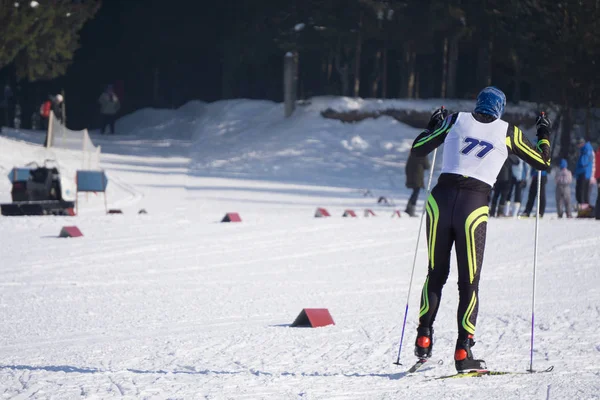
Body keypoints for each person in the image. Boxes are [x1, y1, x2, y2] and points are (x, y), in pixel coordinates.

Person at [409, 87, 551, 373]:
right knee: (468, 282)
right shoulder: (508, 131)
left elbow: (418, 149)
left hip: (441, 199)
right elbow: (542, 162)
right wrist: (544, 132)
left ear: (478, 103)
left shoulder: (456, 120)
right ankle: (464, 350)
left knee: (435, 274)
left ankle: (423, 338)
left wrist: (433, 124)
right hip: (473, 206)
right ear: (500, 108)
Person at [405, 152, 430, 217]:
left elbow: (407, 166)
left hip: (411, 177)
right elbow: (427, 166)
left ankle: (409, 208)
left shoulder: (412, 154)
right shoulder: (423, 154)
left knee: (415, 192)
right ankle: (411, 210)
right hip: (418, 177)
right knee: (415, 193)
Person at [574, 137, 594, 210]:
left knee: (581, 192)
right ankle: (583, 208)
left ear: (582, 144)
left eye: (578, 144)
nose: (578, 146)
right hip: (583, 174)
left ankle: (584, 208)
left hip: (584, 173)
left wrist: (579, 157)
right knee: (581, 192)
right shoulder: (584, 150)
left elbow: (583, 162)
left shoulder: (586, 150)